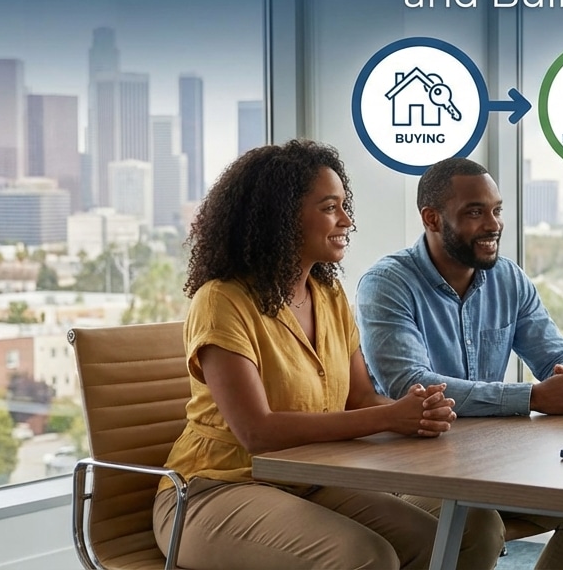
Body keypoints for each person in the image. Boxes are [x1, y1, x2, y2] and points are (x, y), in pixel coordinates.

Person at [152, 140, 502, 570]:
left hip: (310, 481)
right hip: (214, 491)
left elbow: (360, 401)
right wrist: (390, 418)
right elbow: (256, 433)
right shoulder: (222, 300)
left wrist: (418, 414)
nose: (347, 220)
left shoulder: (329, 294)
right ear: (279, 217)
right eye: (329, 207)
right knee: (365, 558)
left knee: (457, 536)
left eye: (343, 205)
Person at [357, 156, 563, 570]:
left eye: (496, 210)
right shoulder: (387, 283)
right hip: (408, 468)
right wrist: (532, 396)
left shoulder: (508, 279)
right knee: (475, 524)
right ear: (431, 217)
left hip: (489, 459)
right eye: (474, 212)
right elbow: (410, 383)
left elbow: (554, 353)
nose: (493, 224)